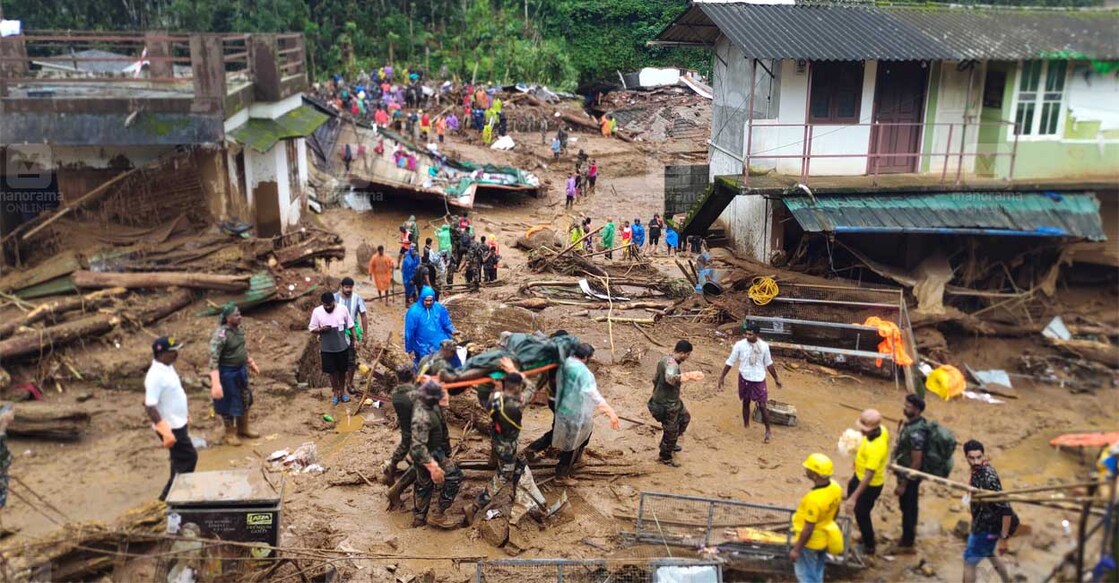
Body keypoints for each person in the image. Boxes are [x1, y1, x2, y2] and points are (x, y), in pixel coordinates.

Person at [552, 343, 620, 485]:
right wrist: (610, 411)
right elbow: (594, 395)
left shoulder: (565, 363)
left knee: (584, 435)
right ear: (584, 358)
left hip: (564, 408)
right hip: (574, 412)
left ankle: (577, 460)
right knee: (571, 443)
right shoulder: (584, 373)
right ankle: (561, 476)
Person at [144, 336, 197, 501]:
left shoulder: (167, 367)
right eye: (172, 352)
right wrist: (164, 430)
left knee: (178, 459)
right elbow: (149, 406)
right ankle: (170, 496)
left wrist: (184, 413)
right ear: (161, 354)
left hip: (178, 421)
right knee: (188, 457)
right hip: (171, 427)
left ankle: (175, 493)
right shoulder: (155, 376)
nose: (176, 354)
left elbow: (172, 395)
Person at [717, 321, 783, 443]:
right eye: (746, 334)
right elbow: (730, 361)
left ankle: (768, 430)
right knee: (745, 402)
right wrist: (722, 377)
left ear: (757, 335)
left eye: (750, 335)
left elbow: (769, 363)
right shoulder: (739, 345)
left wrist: (776, 378)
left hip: (758, 379)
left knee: (762, 405)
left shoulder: (764, 346)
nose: (747, 337)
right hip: (745, 377)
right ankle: (746, 424)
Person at [410, 380, 464, 529]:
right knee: (454, 476)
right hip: (428, 453)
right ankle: (438, 513)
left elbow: (443, 432)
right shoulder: (424, 415)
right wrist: (433, 466)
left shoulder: (435, 409)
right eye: (443, 393)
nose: (447, 397)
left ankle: (419, 517)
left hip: (433, 450)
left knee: (424, 482)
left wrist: (447, 451)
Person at [208, 306, 261, 446]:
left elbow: (241, 349)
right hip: (227, 374)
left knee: (245, 398)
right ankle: (230, 433)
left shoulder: (239, 331)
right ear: (227, 318)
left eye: (240, 314)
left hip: (240, 371)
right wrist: (216, 383)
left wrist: (251, 362)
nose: (240, 317)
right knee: (228, 403)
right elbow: (213, 359)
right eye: (236, 315)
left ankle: (243, 428)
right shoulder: (221, 335)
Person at [963, 440, 1014, 583]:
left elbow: (1005, 506)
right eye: (971, 458)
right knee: (989, 553)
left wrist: (1004, 538)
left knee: (969, 562)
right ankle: (1007, 580)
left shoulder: (988, 477)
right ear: (966, 457)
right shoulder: (978, 470)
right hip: (988, 528)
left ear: (984, 456)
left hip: (985, 529)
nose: (975, 461)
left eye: (979, 457)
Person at [648, 340, 703, 467]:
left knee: (685, 419)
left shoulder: (665, 359)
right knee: (671, 431)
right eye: (687, 355)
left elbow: (654, 379)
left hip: (672, 401)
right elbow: (670, 379)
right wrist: (688, 376)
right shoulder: (672, 365)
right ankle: (665, 457)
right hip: (666, 405)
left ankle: (669, 444)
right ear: (682, 353)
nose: (687, 358)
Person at [790, 454, 843, 583]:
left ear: (815, 475)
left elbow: (808, 529)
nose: (806, 470)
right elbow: (837, 509)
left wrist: (796, 549)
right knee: (817, 571)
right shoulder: (835, 487)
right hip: (824, 537)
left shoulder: (814, 499)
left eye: (808, 469)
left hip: (810, 544)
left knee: (806, 576)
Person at [844, 409, 889, 556]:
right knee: (853, 499)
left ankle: (869, 545)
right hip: (858, 476)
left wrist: (853, 498)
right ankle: (860, 534)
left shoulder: (876, 447)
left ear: (873, 429)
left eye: (865, 430)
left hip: (870, 485)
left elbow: (869, 476)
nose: (862, 432)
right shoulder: (882, 430)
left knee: (862, 513)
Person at [891, 394, 930, 554]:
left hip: (910, 477)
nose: (904, 408)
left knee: (908, 507)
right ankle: (908, 537)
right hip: (904, 472)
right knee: (907, 506)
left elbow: (916, 461)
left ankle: (907, 542)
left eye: (908, 406)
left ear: (917, 409)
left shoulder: (917, 432)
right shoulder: (912, 424)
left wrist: (903, 484)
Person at [309, 292, 354, 406]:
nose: (328, 307)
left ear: (334, 302)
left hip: (342, 346)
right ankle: (335, 393)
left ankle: (343, 392)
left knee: (342, 371)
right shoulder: (317, 312)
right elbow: (312, 328)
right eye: (326, 305)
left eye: (330, 305)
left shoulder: (342, 309)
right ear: (322, 304)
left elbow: (351, 325)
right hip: (327, 348)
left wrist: (356, 340)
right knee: (332, 372)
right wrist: (321, 330)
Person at [404, 286, 456, 368]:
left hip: (439, 344)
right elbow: (409, 332)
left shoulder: (439, 308)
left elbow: (446, 322)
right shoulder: (413, 312)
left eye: (431, 300)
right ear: (422, 299)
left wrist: (452, 330)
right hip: (422, 347)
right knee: (425, 367)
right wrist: (409, 349)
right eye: (426, 300)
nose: (429, 302)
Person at [383, 366, 417, 485]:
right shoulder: (413, 393)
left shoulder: (396, 393)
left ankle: (392, 465)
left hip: (405, 420)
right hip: (415, 421)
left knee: (405, 442)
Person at [336, 277, 368, 394]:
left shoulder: (357, 298)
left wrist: (365, 334)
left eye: (350, 287)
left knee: (351, 359)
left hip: (352, 332)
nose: (348, 289)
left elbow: (363, 315)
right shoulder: (335, 298)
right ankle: (340, 385)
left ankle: (349, 383)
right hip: (337, 333)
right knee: (339, 360)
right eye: (346, 287)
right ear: (342, 286)